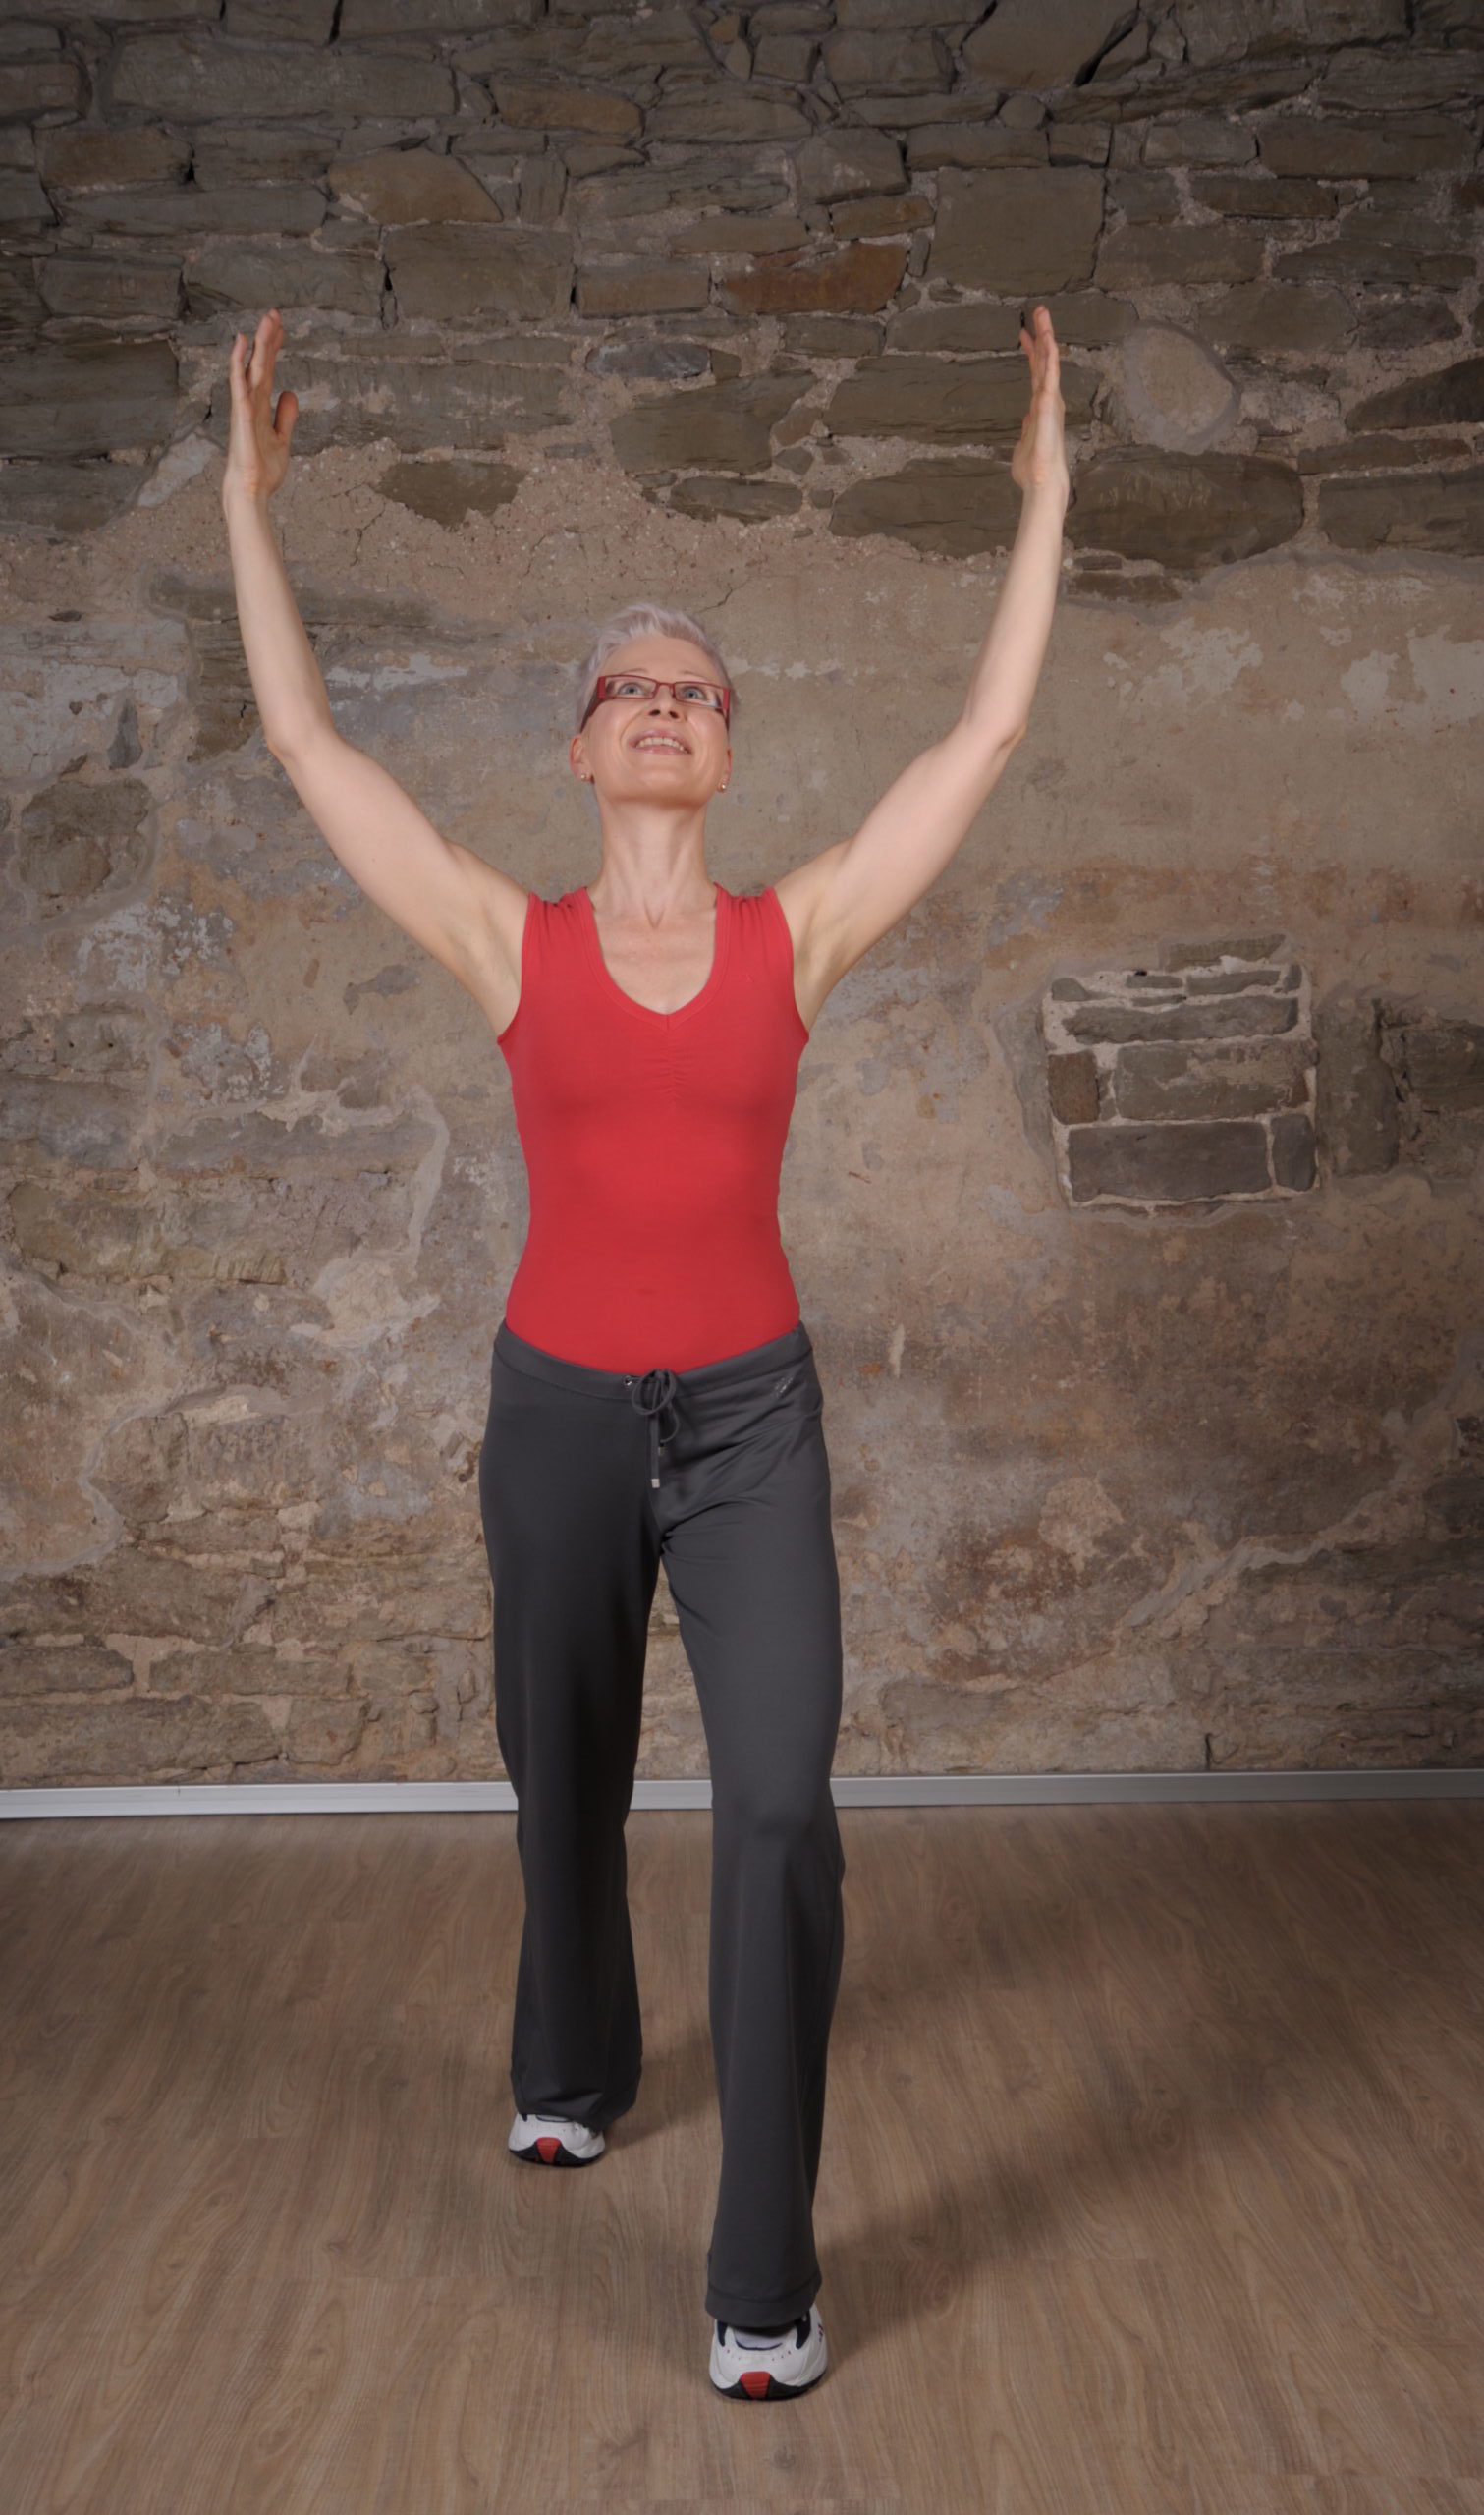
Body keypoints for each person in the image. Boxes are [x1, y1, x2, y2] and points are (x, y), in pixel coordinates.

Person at [221, 301, 1071, 2398]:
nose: (666, 704)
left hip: (754, 1418)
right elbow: (313, 749)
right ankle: (572, 2060)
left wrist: (1048, 495)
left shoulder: (803, 931)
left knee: (778, 1805)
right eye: (632, 687)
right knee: (565, 1779)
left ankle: (761, 2279)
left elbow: (979, 741)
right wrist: (247, 501)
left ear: (728, 745)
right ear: (582, 745)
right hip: (560, 1417)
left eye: (696, 687)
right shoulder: (511, 940)